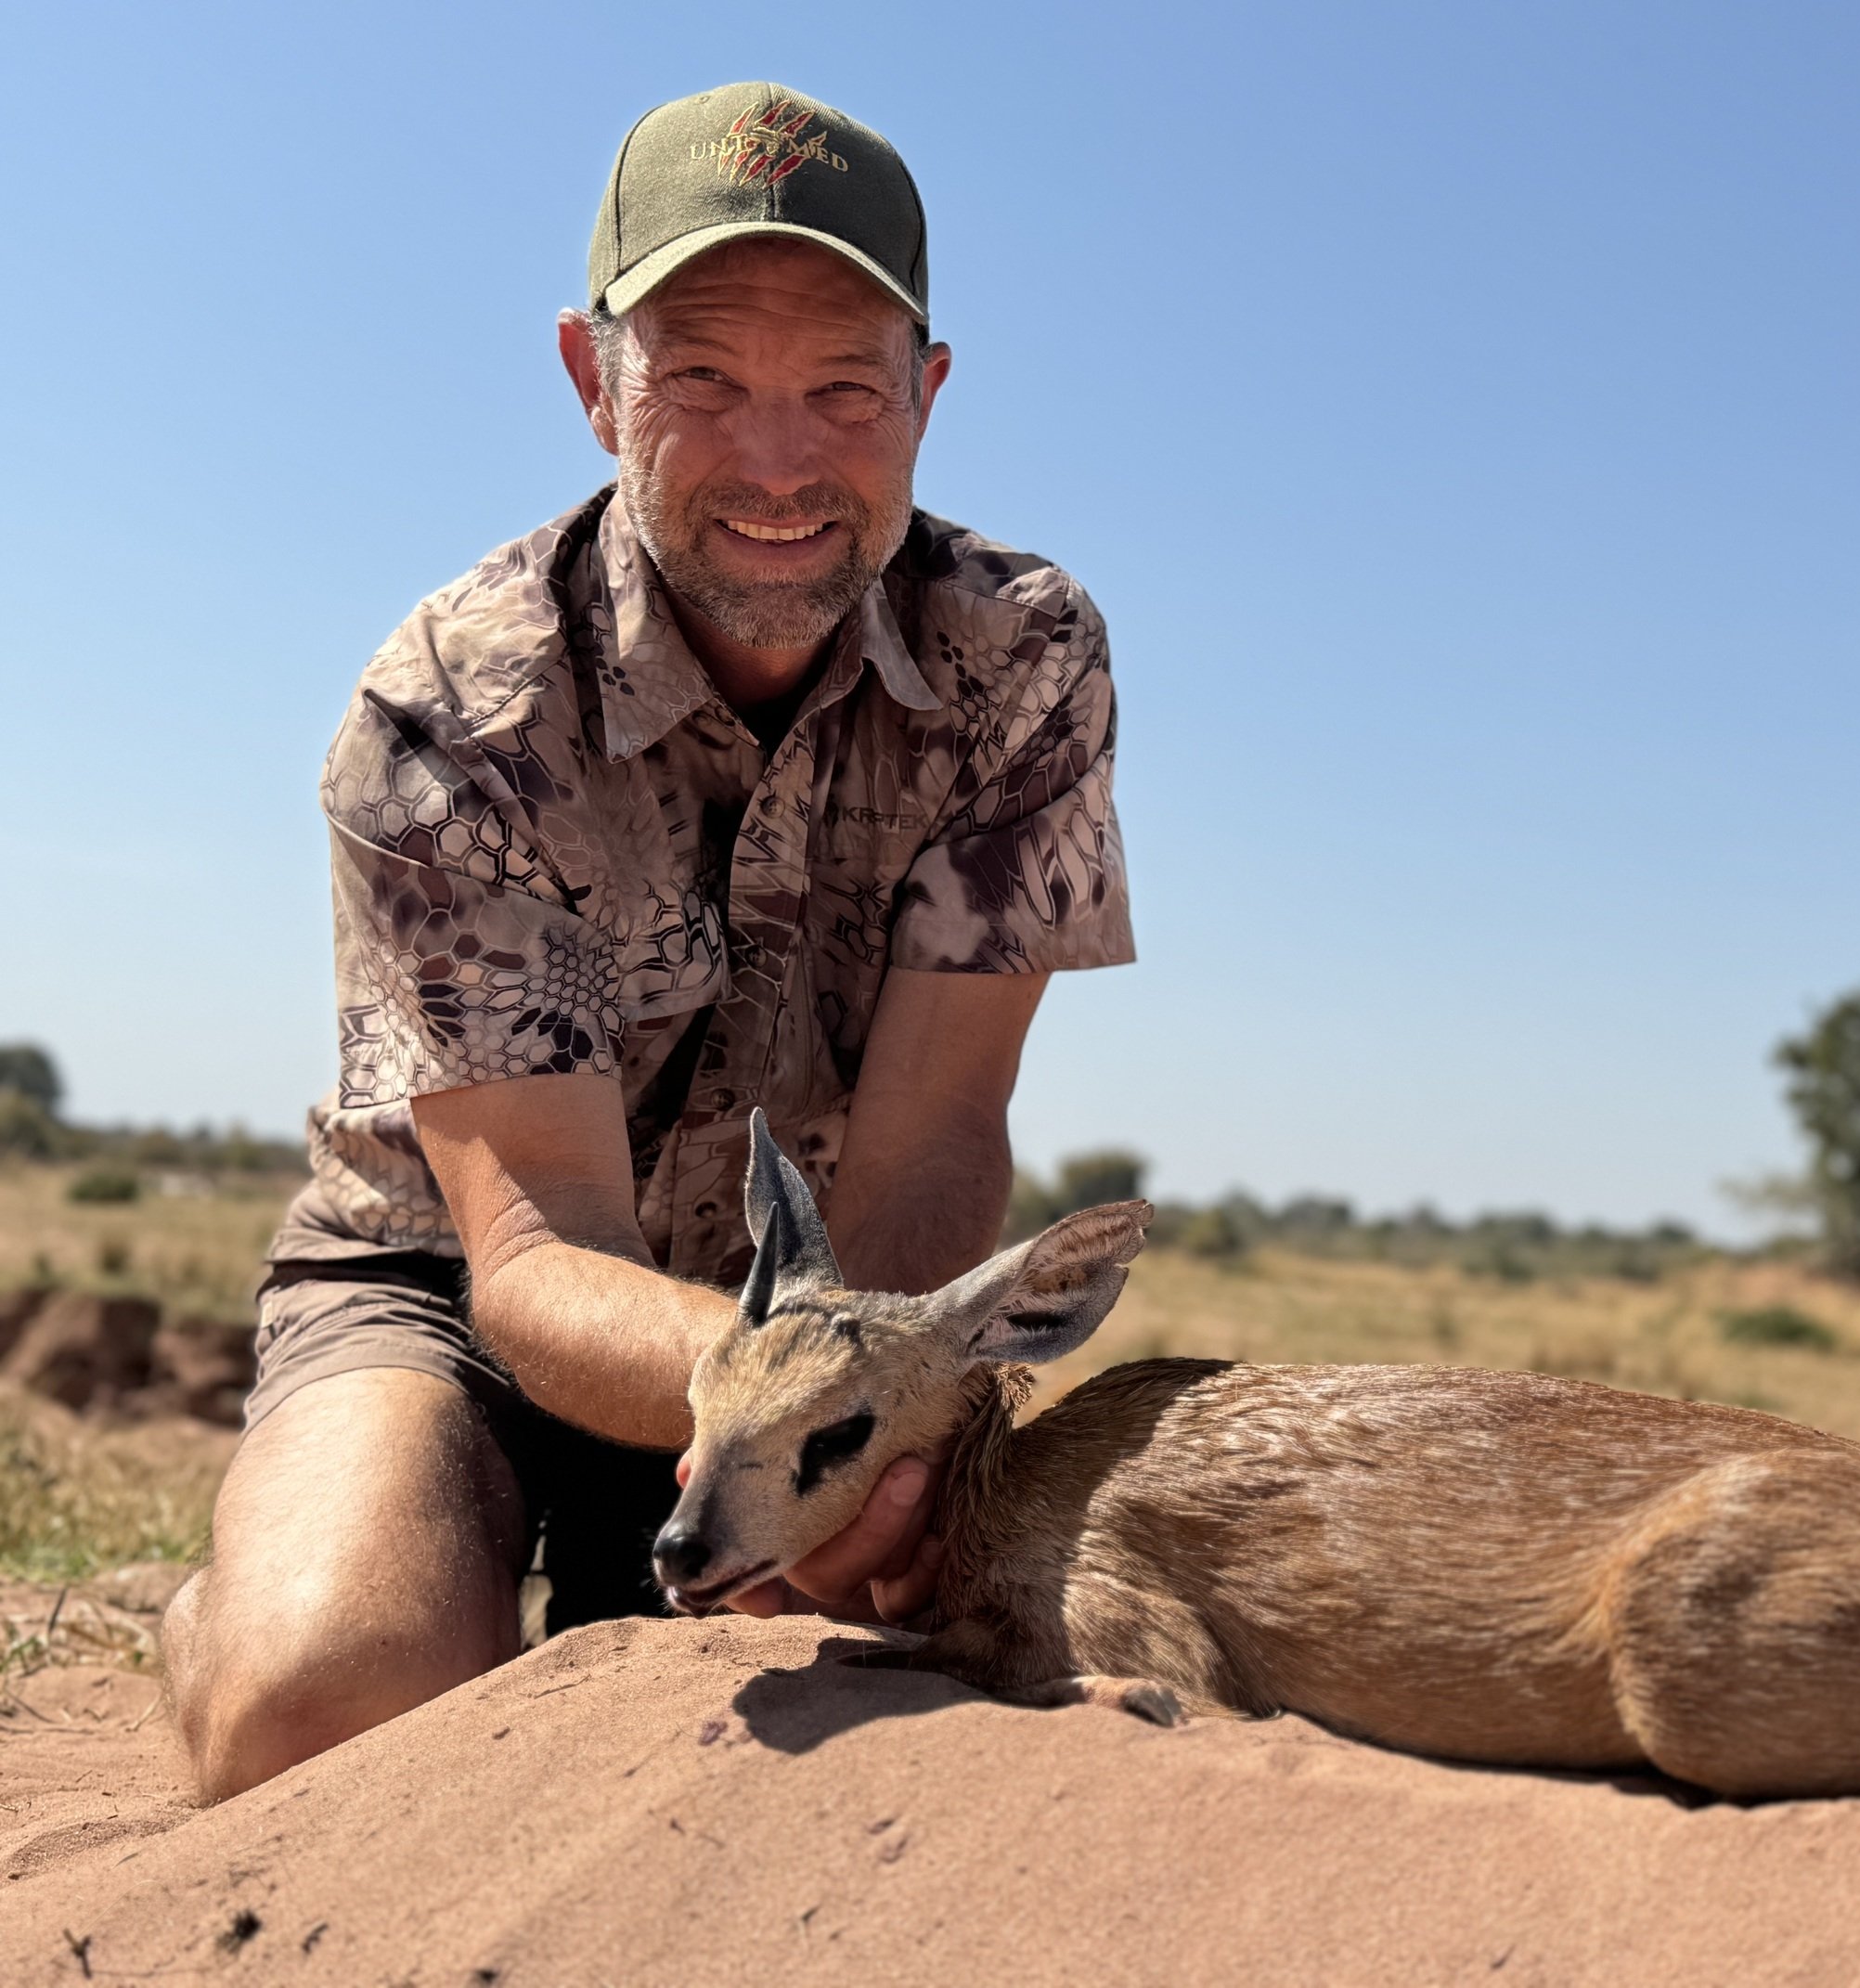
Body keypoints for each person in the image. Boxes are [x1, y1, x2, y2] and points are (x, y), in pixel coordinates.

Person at [162, 83, 1132, 1802]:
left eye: (844, 386)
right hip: (454, 1287)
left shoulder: (1023, 662)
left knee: (866, 1708)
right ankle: (230, 1608)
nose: (778, 462)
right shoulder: (451, 711)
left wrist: (855, 1425)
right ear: (589, 376)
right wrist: (791, 1406)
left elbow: (934, 1131)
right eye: (700, 382)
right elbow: (528, 1258)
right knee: (324, 1701)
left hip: (816, 1319)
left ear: (928, 390)